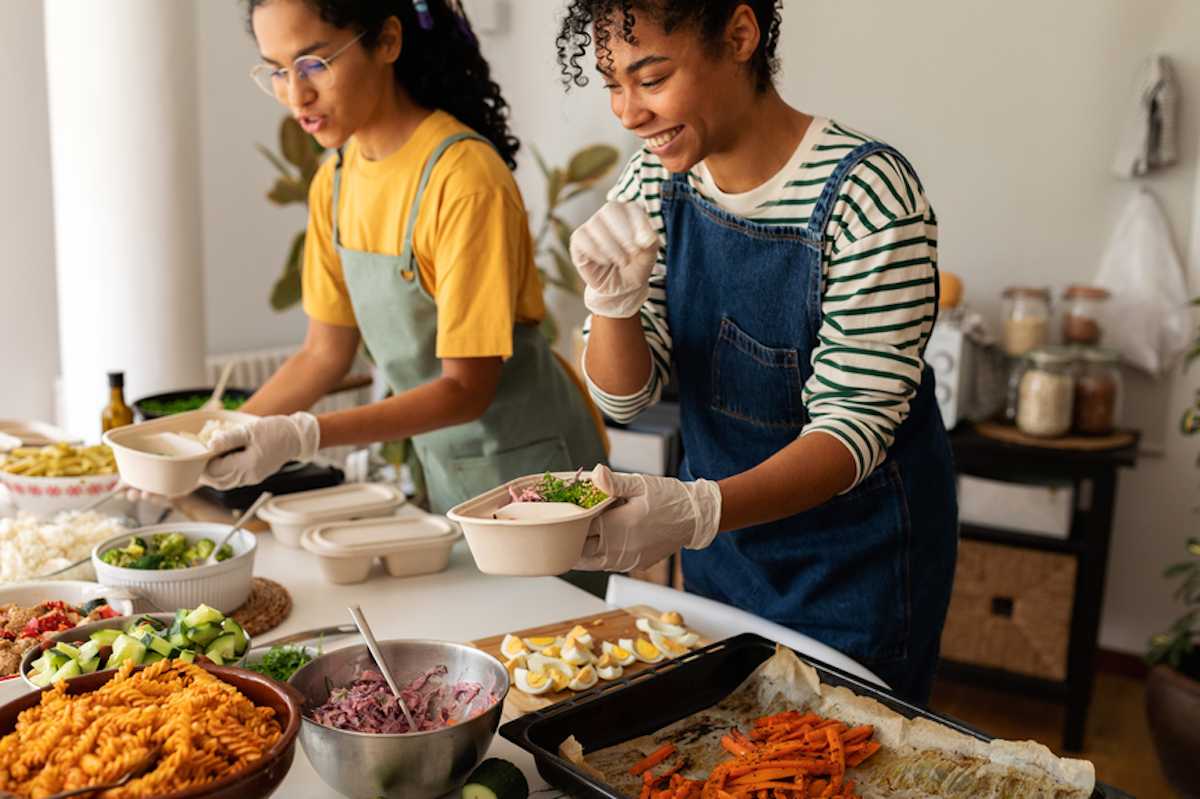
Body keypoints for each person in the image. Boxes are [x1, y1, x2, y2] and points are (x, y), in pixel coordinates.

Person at [558, 0, 957, 703]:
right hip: (723, 557)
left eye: (651, 78)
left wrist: (694, 510)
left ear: (740, 35)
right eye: (612, 83)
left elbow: (850, 431)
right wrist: (610, 307)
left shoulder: (868, 196)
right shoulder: (653, 183)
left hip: (855, 570)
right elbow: (624, 396)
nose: (627, 112)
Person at [202, 0, 606, 513]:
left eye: (314, 64)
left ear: (388, 41)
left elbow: (465, 388)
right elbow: (323, 354)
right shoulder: (336, 181)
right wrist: (213, 443)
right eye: (278, 71)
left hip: (536, 474)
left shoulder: (463, 179)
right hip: (444, 465)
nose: (296, 94)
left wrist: (303, 435)